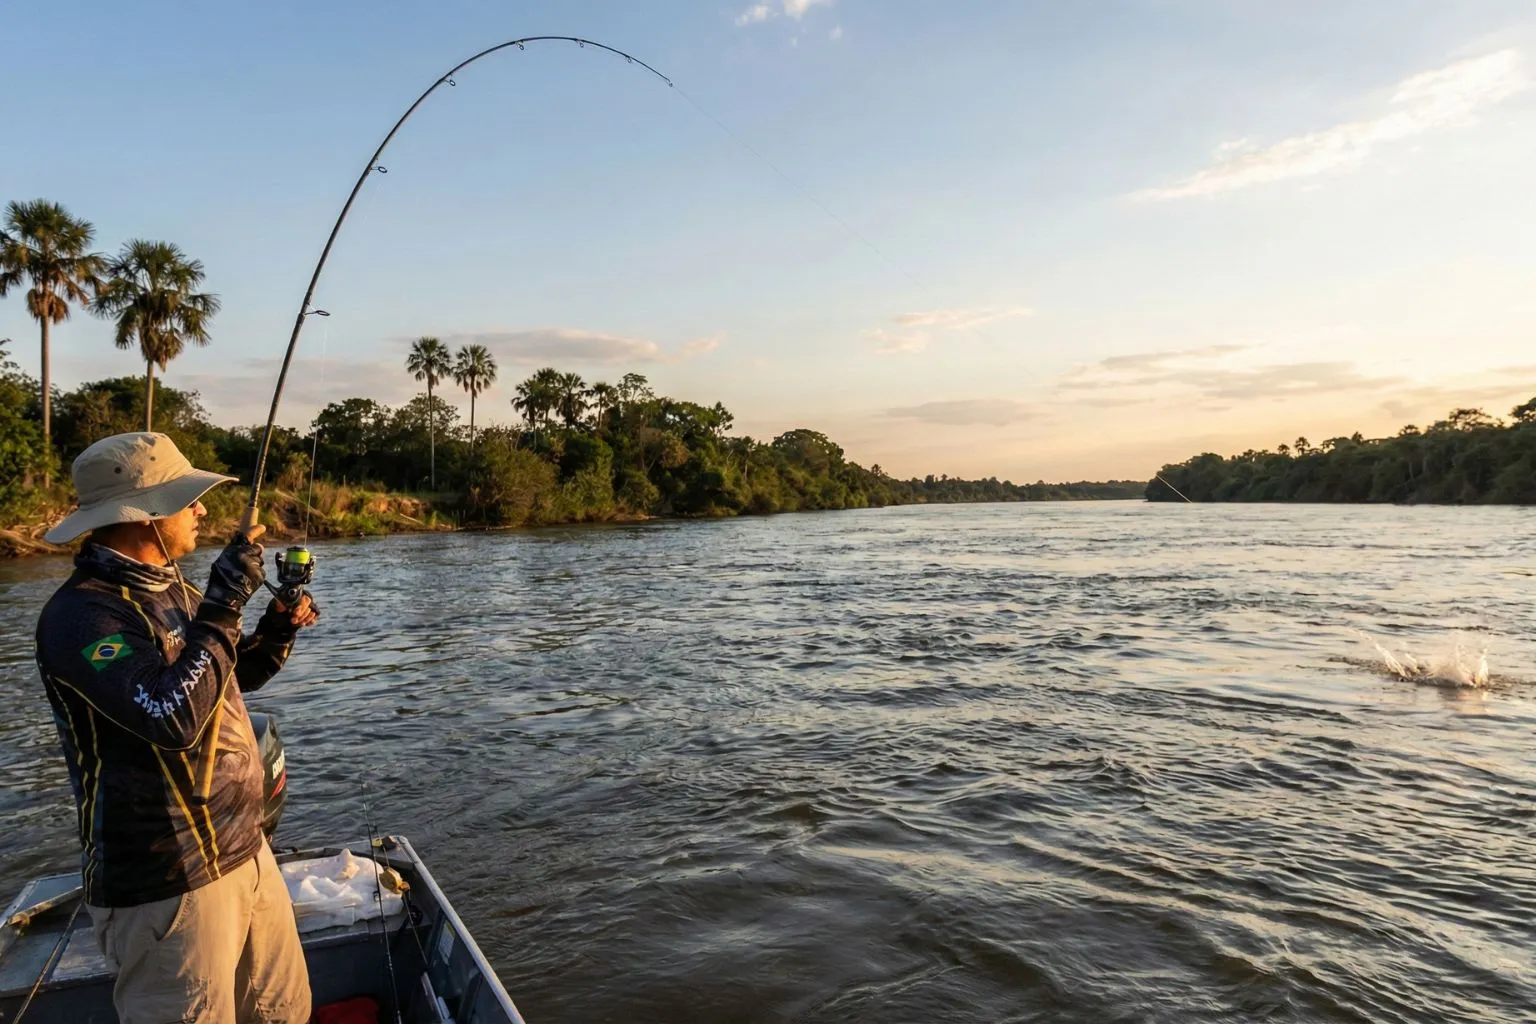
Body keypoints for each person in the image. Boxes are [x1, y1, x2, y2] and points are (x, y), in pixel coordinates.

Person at [35, 432, 319, 1024]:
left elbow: (225, 678)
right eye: (187, 499)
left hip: (245, 852)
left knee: (282, 1012)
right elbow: (170, 716)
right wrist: (221, 606)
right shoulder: (82, 615)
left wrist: (275, 628)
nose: (202, 509)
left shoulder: (175, 591)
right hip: (169, 884)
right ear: (145, 516)